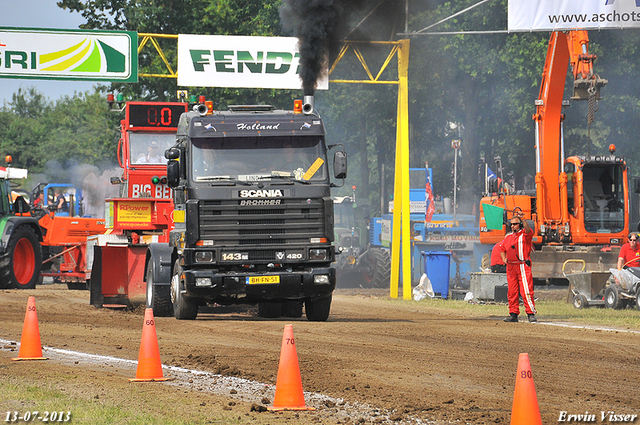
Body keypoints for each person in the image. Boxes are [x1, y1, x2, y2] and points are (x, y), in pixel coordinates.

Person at [500, 211, 537, 323]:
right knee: (512, 292)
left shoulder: (525, 235)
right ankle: (513, 314)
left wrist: (523, 220)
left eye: (515, 224)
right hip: (511, 267)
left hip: (522, 266)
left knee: (526, 290)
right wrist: (504, 258)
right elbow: (502, 249)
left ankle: (530, 313)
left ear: (520, 225)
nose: (512, 226)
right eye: (511, 224)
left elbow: (528, 230)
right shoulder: (508, 236)